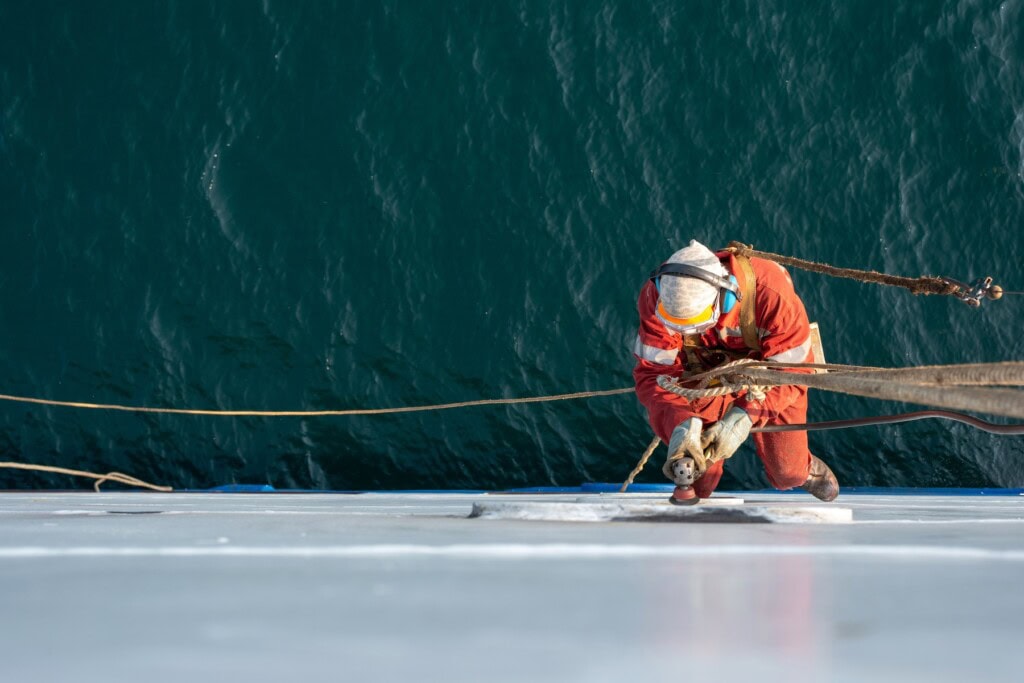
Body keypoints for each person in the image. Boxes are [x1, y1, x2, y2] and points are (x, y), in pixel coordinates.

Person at [632, 239, 839, 504]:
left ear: (726, 298)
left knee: (787, 471)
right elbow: (653, 374)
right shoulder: (657, 297)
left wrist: (743, 416)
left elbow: (794, 373)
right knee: (696, 472)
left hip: (771, 378)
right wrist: (680, 423)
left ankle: (806, 471)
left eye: (694, 325)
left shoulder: (772, 296)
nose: (685, 335)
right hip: (703, 374)